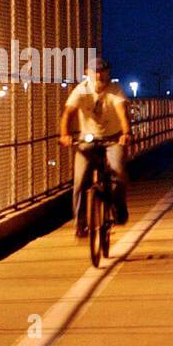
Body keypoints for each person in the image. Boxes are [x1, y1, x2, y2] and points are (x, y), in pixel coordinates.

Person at [59, 58, 130, 237]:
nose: (99, 75)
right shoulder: (81, 91)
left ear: (108, 72)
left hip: (113, 138)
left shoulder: (115, 90)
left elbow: (123, 113)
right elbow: (68, 113)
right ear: (87, 73)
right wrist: (65, 135)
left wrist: (126, 133)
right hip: (88, 139)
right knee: (80, 181)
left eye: (102, 71)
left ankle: (119, 207)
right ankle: (80, 223)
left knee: (119, 173)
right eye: (94, 71)